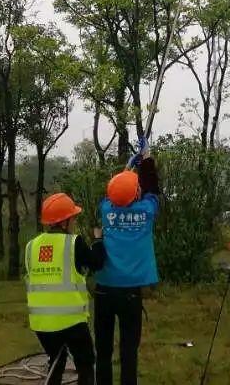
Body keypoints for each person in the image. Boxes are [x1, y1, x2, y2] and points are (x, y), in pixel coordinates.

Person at [94, 138, 161, 385]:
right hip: (130, 292)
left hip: (103, 289)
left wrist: (127, 168)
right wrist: (147, 161)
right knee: (128, 350)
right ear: (137, 193)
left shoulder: (105, 209)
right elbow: (153, 190)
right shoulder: (146, 211)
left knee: (102, 350)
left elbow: (116, 192)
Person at [25, 193, 105, 385]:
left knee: (56, 361)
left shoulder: (31, 246)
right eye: (73, 218)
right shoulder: (73, 243)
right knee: (85, 362)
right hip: (71, 321)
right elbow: (96, 263)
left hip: (41, 323)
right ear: (64, 221)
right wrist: (98, 240)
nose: (74, 222)